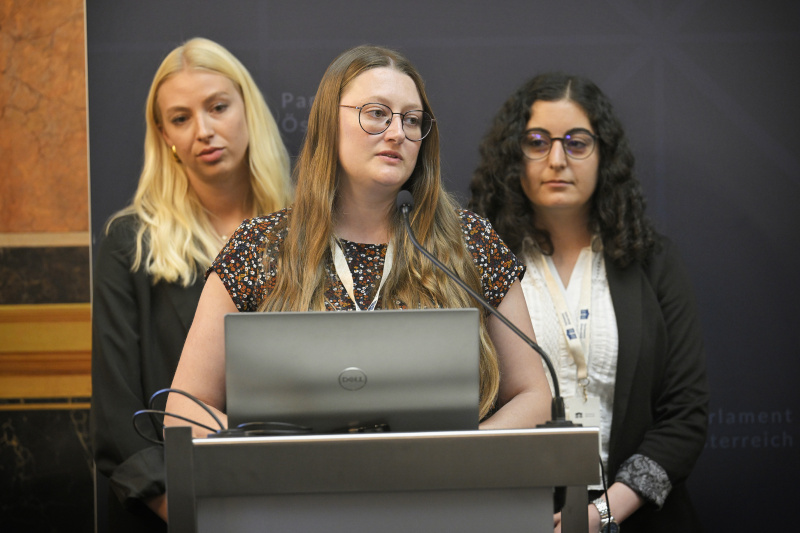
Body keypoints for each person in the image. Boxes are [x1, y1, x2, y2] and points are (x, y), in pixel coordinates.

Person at [165, 44, 551, 440]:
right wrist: (278, 453)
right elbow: (183, 410)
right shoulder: (260, 247)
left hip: (442, 486)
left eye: (412, 120)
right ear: (328, 124)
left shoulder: (469, 241)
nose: (398, 133)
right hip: (297, 491)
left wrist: (462, 451)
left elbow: (534, 396)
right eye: (377, 114)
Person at [469, 72, 709, 532]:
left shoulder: (652, 261)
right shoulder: (481, 263)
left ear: (605, 156)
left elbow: (685, 415)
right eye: (537, 141)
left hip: (633, 516)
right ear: (513, 156)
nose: (556, 159)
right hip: (514, 513)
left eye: (576, 143)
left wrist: (602, 515)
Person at [91, 37, 291, 530]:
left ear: (249, 110)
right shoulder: (130, 244)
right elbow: (120, 423)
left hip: (294, 497)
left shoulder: (305, 233)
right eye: (181, 118)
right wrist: (188, 514)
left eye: (218, 107)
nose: (204, 130)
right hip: (178, 510)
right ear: (164, 137)